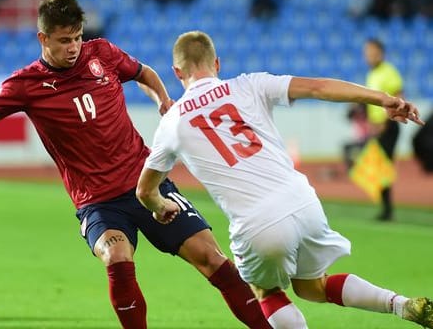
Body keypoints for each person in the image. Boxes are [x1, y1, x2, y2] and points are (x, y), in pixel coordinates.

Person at [0, 0, 271, 329]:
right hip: (98, 203)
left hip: (147, 185)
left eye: (78, 37)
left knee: (212, 259)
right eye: (65, 40)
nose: (74, 47)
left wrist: (162, 100)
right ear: (43, 38)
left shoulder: (102, 54)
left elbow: (144, 73)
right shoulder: (26, 85)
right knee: (117, 257)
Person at [136, 30, 431, 329]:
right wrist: (382, 99)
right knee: (311, 287)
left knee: (265, 290)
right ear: (217, 63)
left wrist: (160, 206)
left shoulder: (171, 123)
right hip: (303, 201)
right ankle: (401, 304)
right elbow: (318, 87)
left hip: (257, 223)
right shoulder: (250, 84)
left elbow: (145, 190)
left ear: (176, 72)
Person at [363, 38, 403, 221]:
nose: (368, 56)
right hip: (377, 127)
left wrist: (385, 124)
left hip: (388, 126)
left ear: (380, 53)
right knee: (379, 166)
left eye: (372, 52)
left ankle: (387, 209)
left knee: (383, 166)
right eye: (367, 53)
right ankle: (385, 207)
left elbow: (399, 97)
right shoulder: (371, 74)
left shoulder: (389, 72)